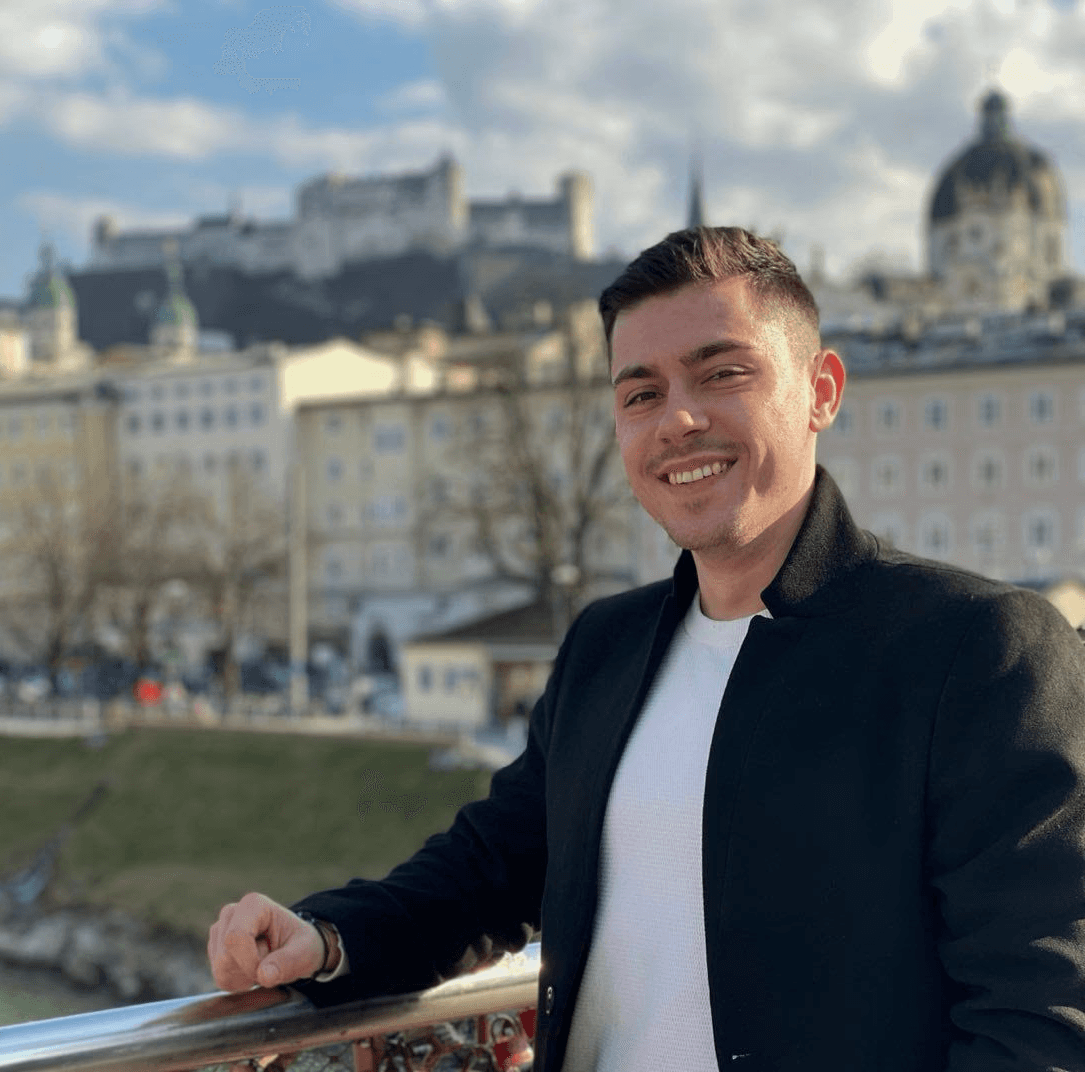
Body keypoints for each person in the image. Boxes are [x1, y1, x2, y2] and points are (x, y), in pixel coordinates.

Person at [209, 227, 1085, 1071]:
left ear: (822, 390)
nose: (678, 420)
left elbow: (1039, 1017)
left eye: (722, 373)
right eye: (641, 394)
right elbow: (486, 872)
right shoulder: (607, 645)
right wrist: (323, 939)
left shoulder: (979, 650)